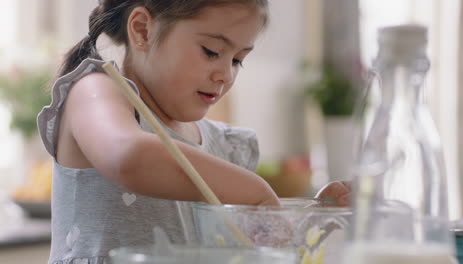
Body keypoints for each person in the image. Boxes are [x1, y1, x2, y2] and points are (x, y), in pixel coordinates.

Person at [37, 0, 350, 263]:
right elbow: (128, 157)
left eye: (239, 59)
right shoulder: (98, 91)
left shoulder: (224, 146)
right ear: (143, 30)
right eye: (212, 51)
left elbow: (248, 247)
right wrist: (256, 193)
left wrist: (308, 220)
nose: (225, 74)